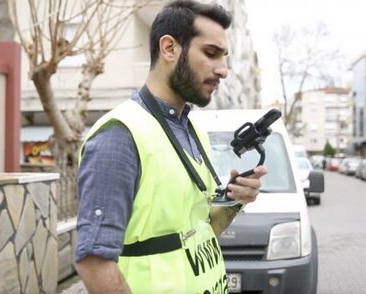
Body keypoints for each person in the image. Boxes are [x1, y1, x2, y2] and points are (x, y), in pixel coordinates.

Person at [74, 1, 267, 293]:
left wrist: (236, 201)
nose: (223, 70)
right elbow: (93, 262)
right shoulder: (120, 135)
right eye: (211, 53)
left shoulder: (193, 131)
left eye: (224, 57)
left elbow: (198, 231)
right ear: (169, 48)